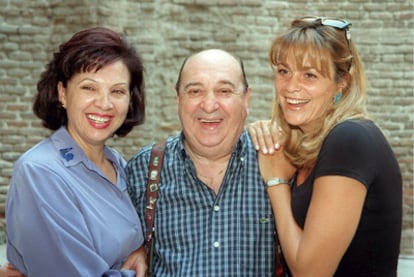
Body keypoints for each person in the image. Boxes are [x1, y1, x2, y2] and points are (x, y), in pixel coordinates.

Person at [248, 17, 402, 276]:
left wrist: (276, 182)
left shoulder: (351, 139)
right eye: (284, 71)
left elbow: (311, 272)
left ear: (341, 84)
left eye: (309, 75)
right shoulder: (313, 144)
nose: (291, 86)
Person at [3, 27, 147, 277]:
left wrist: (143, 251)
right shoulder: (41, 172)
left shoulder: (119, 165)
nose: (104, 103)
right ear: (63, 93)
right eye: (89, 87)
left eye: (117, 91)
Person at [126, 49, 279, 276]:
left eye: (224, 91)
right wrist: (133, 248)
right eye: (195, 91)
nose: (209, 105)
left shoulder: (277, 162)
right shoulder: (143, 170)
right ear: (178, 99)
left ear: (246, 100)